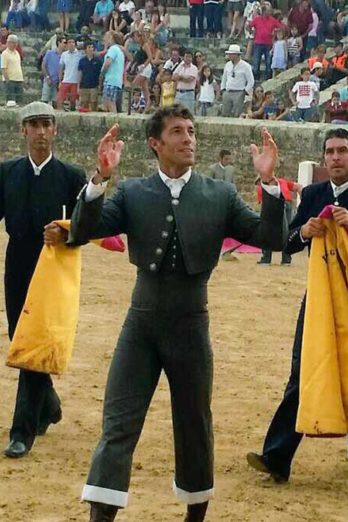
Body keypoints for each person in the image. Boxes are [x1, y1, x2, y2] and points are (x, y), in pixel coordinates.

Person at [65, 105, 286, 522]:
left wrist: (269, 182)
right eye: (178, 132)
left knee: (194, 426)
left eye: (192, 131)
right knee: (119, 424)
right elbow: (83, 231)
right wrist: (99, 180)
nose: (189, 139)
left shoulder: (218, 195)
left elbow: (272, 237)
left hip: (190, 325)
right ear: (156, 144)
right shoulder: (132, 192)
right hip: (141, 325)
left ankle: (195, 519)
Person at [246, 127, 348, 485]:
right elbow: (287, 243)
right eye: (330, 152)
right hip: (319, 296)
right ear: (324, 158)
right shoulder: (315, 194)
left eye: (342, 151)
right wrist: (305, 232)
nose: (335, 157)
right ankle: (277, 458)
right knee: (303, 372)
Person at [0, 102, 86, 459]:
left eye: (47, 124)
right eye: (34, 125)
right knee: (19, 337)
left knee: (32, 345)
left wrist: (68, 234)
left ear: (55, 130)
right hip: (17, 262)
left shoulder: (70, 175)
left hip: (54, 266)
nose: (41, 131)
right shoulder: (7, 172)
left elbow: (92, 222)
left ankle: (22, 432)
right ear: (23, 131)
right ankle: (48, 405)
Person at [257, 177, 302, 265]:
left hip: (274, 204)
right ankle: (286, 258)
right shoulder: (282, 181)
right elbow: (298, 187)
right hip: (288, 203)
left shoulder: (261, 188)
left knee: (268, 231)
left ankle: (266, 258)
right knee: (287, 231)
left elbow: (263, 205)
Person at [221, 44, 255, 117]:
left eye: (231, 54)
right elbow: (224, 78)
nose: (229, 56)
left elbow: (251, 81)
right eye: (229, 54)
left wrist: (244, 91)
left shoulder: (246, 66)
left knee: (237, 113)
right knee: (225, 113)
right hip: (228, 91)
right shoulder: (227, 65)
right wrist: (223, 89)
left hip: (239, 92)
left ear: (237, 55)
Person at [250, 5, 282, 81]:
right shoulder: (257, 19)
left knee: (269, 62)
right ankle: (256, 79)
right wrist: (252, 32)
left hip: (268, 44)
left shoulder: (272, 20)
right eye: (268, 10)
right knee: (256, 61)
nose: (270, 12)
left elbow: (281, 27)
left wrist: (275, 32)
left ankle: (268, 79)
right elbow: (248, 25)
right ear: (264, 11)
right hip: (258, 43)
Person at [101, 31, 125, 113]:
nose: (104, 39)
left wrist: (102, 74)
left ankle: (114, 124)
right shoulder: (120, 51)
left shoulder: (113, 49)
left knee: (110, 103)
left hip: (111, 80)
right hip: (117, 81)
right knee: (110, 104)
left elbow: (108, 63)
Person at [58, 37, 82, 110]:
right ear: (67, 44)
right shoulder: (64, 55)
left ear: (75, 44)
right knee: (60, 99)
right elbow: (61, 68)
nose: (71, 44)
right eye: (69, 42)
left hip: (75, 81)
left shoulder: (80, 55)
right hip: (65, 80)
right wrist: (60, 80)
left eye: (73, 42)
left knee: (73, 101)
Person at [79, 42, 103, 111]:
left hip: (94, 86)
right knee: (84, 104)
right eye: (89, 47)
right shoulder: (82, 61)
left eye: (92, 47)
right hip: (84, 85)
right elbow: (80, 73)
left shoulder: (98, 60)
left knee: (94, 104)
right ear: (85, 49)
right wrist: (79, 86)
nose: (91, 49)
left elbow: (101, 73)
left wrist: (100, 85)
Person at [1, 34, 24, 106]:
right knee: (11, 102)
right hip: (10, 80)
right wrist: (7, 80)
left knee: (20, 101)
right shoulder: (5, 54)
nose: (15, 45)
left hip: (19, 80)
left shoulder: (17, 53)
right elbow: (3, 68)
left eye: (16, 43)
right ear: (9, 43)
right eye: (13, 43)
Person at [42, 37, 66, 105]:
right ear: (59, 43)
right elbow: (43, 65)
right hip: (49, 80)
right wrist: (47, 77)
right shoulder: (50, 53)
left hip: (58, 82)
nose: (65, 45)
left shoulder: (65, 55)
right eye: (64, 43)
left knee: (56, 102)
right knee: (45, 100)